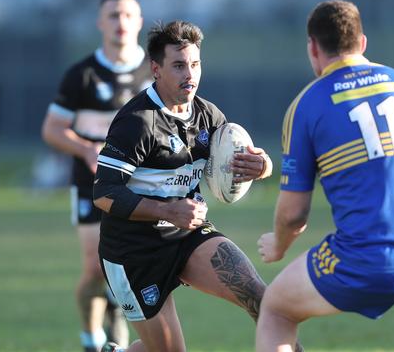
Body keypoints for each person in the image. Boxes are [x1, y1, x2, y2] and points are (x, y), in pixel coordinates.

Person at [256, 0, 394, 352]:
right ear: (362, 43)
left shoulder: (307, 104)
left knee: (276, 310)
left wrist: (278, 244)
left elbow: (293, 213)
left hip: (362, 260)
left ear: (313, 48)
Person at [93, 20, 292, 352]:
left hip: (188, 236)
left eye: (195, 64)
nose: (190, 74)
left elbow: (235, 157)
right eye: (179, 65)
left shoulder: (208, 116)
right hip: (132, 252)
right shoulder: (137, 122)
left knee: (261, 298)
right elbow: (104, 192)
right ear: (156, 69)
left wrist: (262, 166)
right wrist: (167, 210)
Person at [41, 0, 152, 351]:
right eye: (112, 15)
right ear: (100, 23)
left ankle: (118, 318)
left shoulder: (154, 71)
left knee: (130, 264)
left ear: (138, 22)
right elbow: (52, 129)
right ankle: (92, 337)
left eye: (127, 14)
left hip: (139, 182)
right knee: (94, 267)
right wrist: (86, 148)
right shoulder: (82, 74)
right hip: (91, 182)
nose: (120, 22)